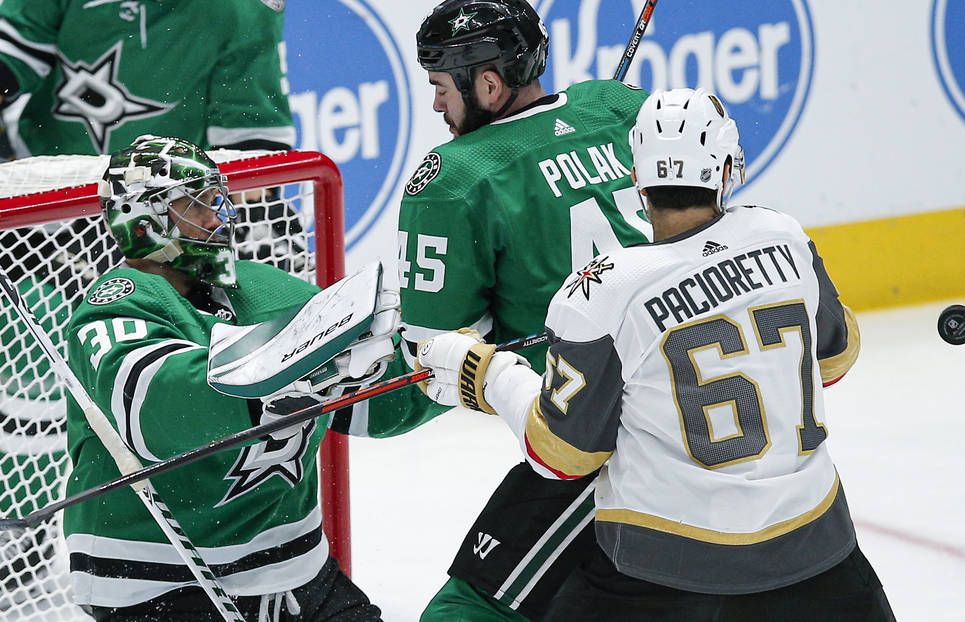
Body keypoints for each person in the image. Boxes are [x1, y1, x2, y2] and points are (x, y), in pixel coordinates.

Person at [418, 87, 897, 621]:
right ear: (727, 169)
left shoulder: (602, 290)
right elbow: (835, 357)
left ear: (636, 179)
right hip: (815, 550)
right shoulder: (783, 236)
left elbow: (564, 456)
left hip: (661, 572)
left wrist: (487, 375)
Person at [350, 1, 651, 619]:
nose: (436, 106)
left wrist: (345, 408)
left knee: (469, 608)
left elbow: (434, 355)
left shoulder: (455, 179)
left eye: (439, 87)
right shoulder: (619, 109)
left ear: (487, 84)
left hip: (600, 433)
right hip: (702, 380)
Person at [61, 135, 388, 621]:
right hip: (159, 583)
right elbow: (161, 408)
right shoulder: (116, 301)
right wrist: (294, 373)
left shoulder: (264, 289)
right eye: (196, 205)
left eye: (217, 200)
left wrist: (430, 358)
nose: (218, 218)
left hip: (299, 575)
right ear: (143, 220)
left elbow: (374, 406)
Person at [0, 0, 294, 156]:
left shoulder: (246, 8)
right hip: (40, 175)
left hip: (167, 202)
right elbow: (14, 51)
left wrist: (255, 203)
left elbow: (251, 131)